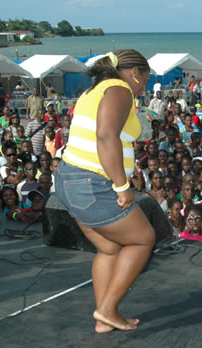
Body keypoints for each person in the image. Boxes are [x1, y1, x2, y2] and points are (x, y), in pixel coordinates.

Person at [55, 49, 155, 333]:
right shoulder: (119, 89)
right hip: (92, 182)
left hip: (69, 179)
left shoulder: (96, 90)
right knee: (142, 239)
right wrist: (123, 187)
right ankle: (108, 309)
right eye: (146, 79)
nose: (145, 86)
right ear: (136, 72)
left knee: (109, 248)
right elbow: (105, 136)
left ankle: (104, 318)